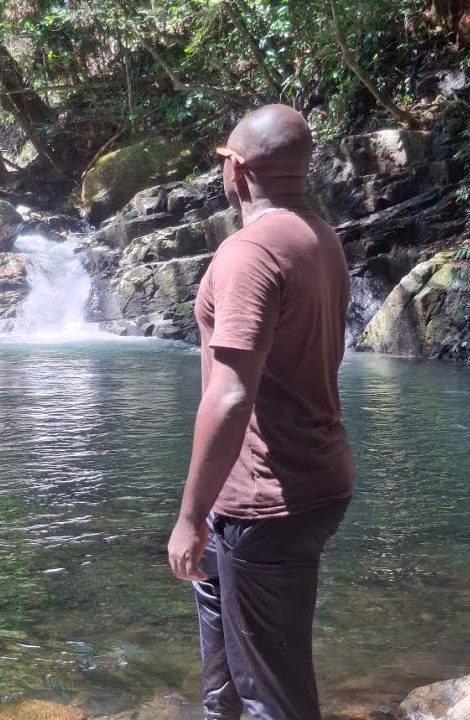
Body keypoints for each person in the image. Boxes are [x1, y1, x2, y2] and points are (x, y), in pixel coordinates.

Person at [166, 104, 356, 720]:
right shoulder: (318, 237)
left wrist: (188, 518)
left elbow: (230, 395)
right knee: (225, 677)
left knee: (272, 696)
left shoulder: (249, 254)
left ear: (239, 170)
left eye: (223, 158)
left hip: (266, 499)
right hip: (295, 481)